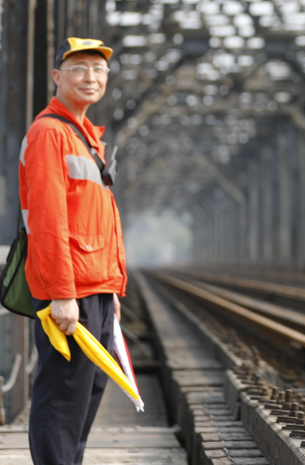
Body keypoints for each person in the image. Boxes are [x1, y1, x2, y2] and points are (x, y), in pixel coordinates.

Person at [19, 37, 127, 464]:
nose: (91, 77)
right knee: (64, 397)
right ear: (57, 77)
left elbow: (96, 221)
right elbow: (48, 222)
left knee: (84, 396)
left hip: (94, 289)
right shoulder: (50, 134)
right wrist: (63, 293)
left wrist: (113, 292)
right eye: (80, 68)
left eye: (99, 71)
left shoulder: (85, 138)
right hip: (71, 291)